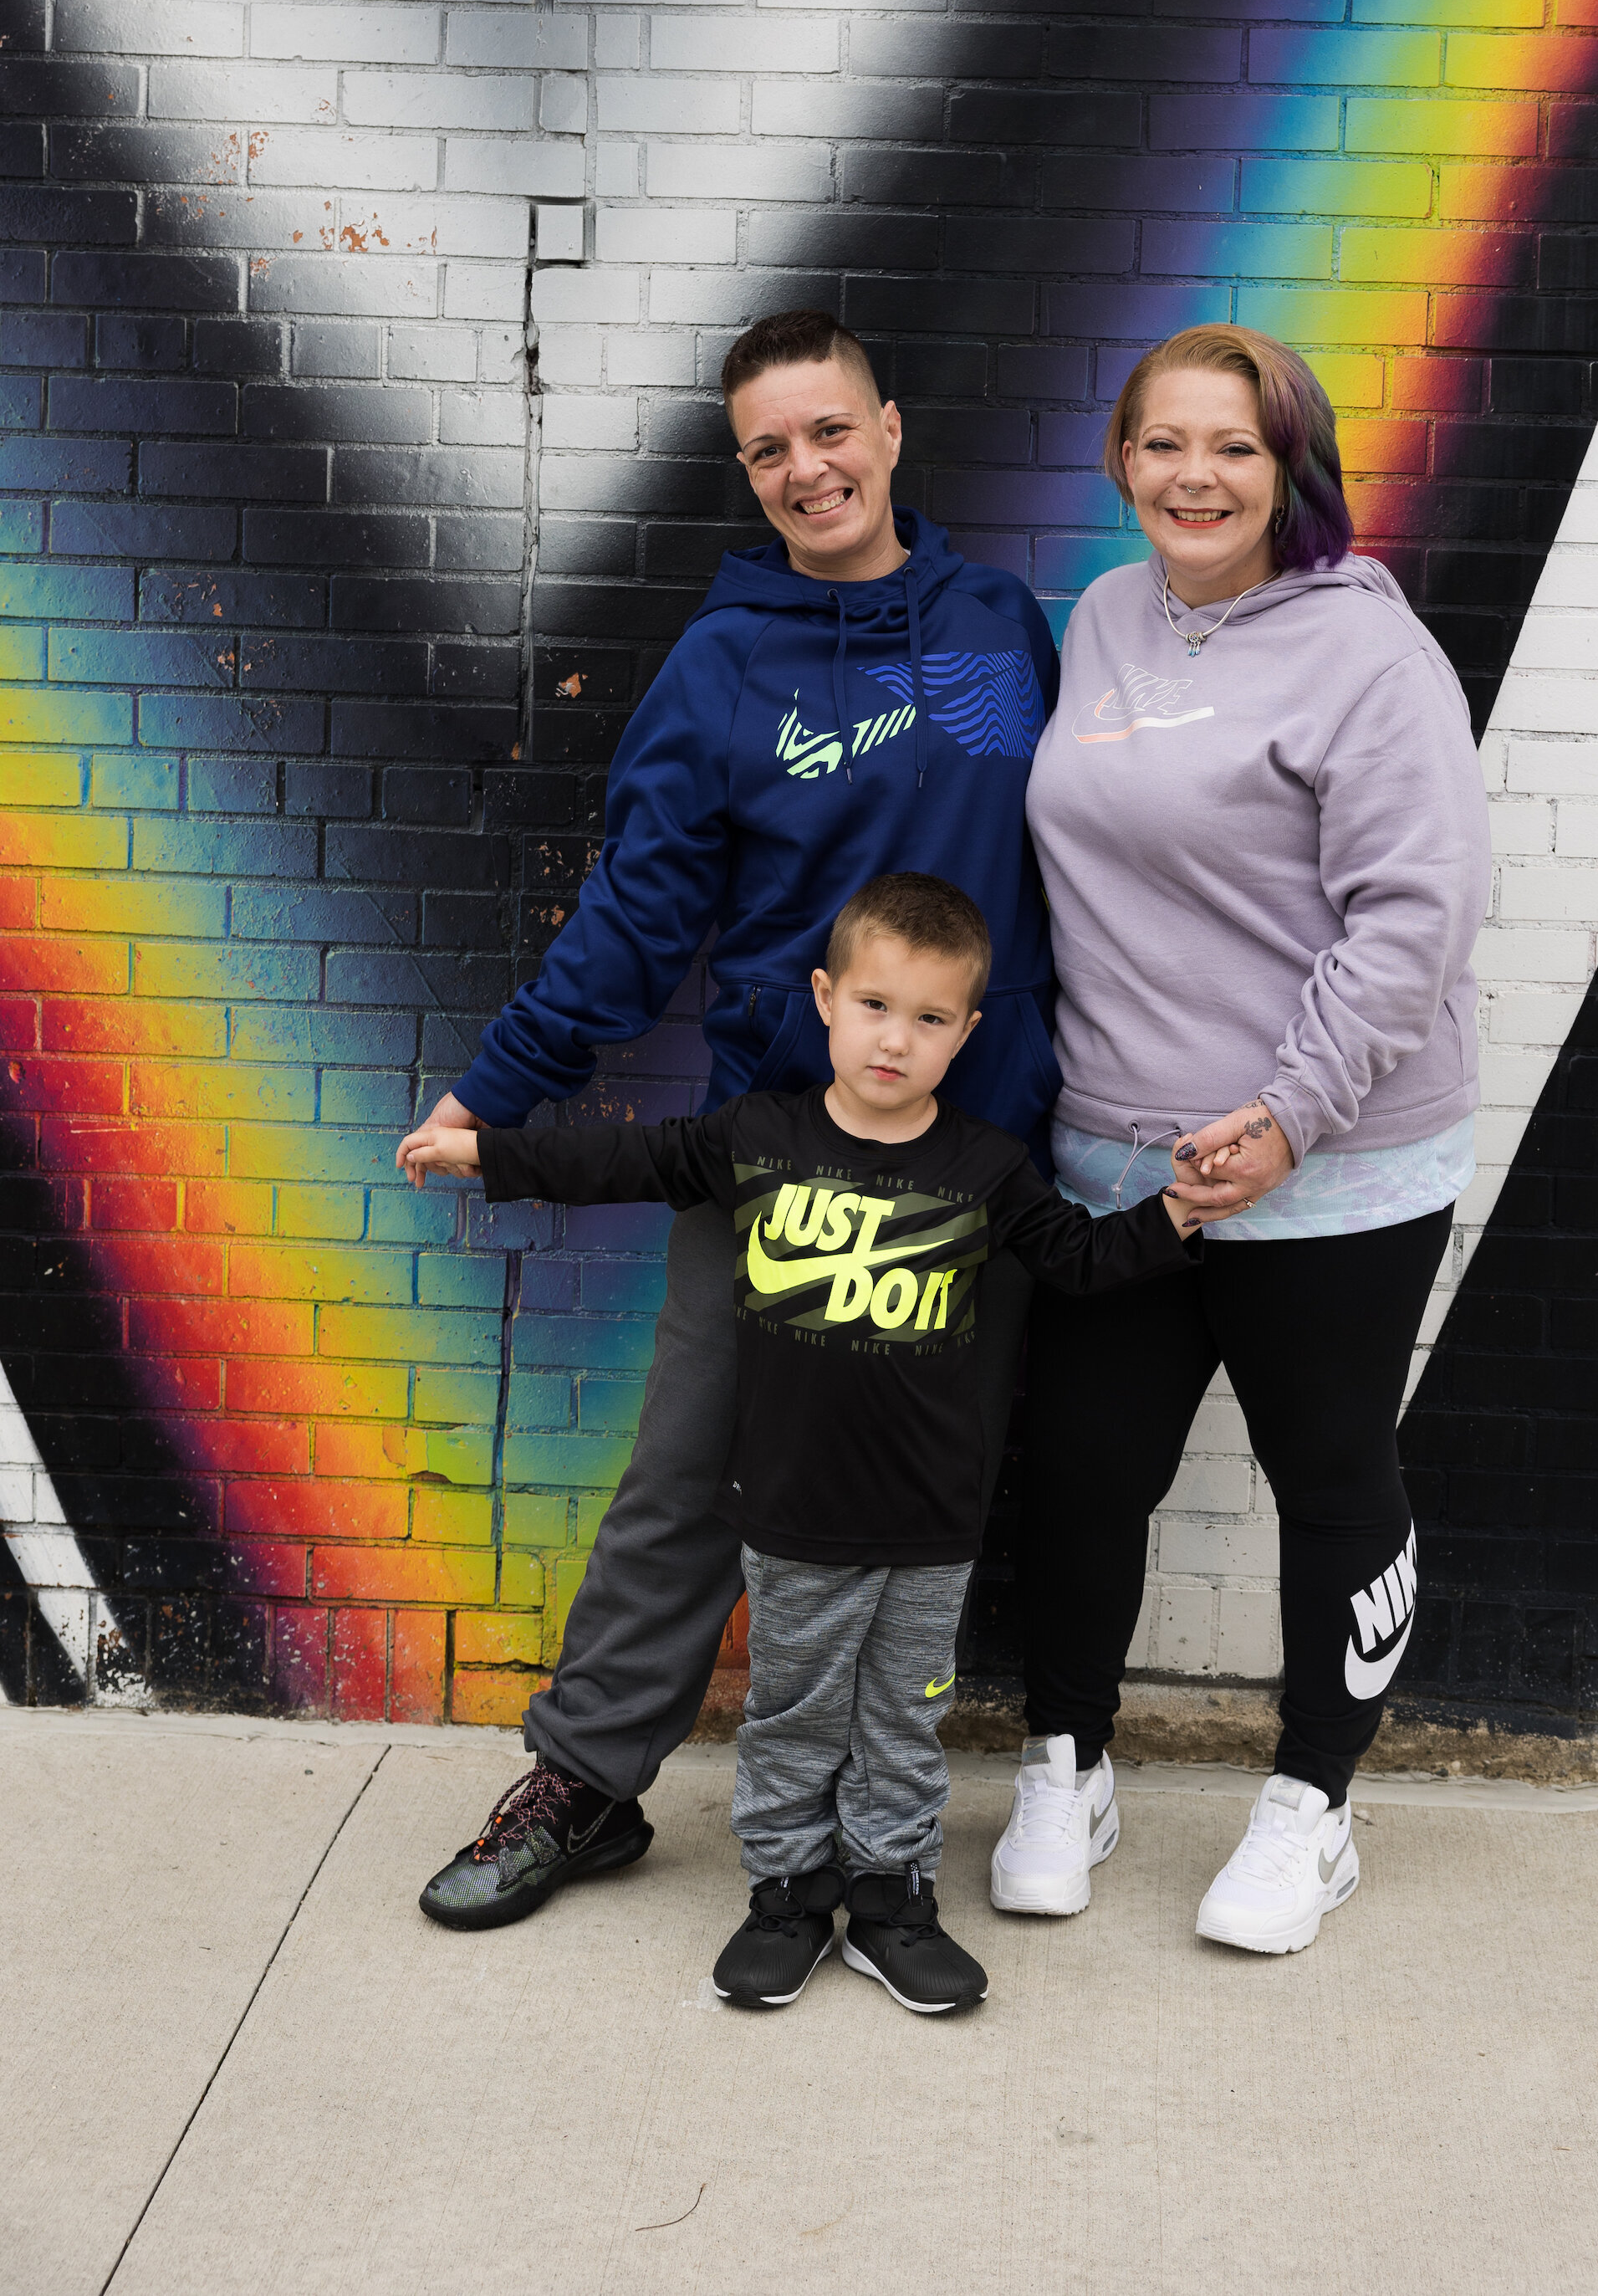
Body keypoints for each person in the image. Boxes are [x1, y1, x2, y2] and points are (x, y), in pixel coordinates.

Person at [410, 309, 1066, 1931]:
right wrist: (498, 1090)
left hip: (976, 1162)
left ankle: (892, 1824)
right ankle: (586, 1780)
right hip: (780, 1147)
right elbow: (635, 923)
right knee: (694, 1474)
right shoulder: (722, 668)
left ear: (891, 429)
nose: (806, 467)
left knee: (942, 1495)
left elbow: (1084, 872)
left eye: (829, 430)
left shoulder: (998, 630)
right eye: (769, 448)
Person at [400, 876, 1196, 2013]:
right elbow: (620, 1166)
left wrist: (1176, 1216)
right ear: (823, 1001)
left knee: (901, 1724)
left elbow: (1077, 1259)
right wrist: (489, 1151)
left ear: (968, 1032)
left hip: (926, 1529)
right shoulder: (755, 1139)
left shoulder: (983, 1170)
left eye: (929, 1019)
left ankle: (887, 1903)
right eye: (873, 1006)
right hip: (790, 1518)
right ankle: (783, 1898)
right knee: (792, 1720)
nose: (894, 1039)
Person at [992, 323, 1493, 1956]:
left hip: (1333, 1169)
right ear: (1123, 461)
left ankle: (1313, 1803)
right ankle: (1066, 1760)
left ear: (1291, 469)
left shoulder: (1369, 655)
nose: (1195, 476)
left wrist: (1290, 1116)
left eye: (1234, 447)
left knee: (1330, 1474)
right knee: (1079, 1472)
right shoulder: (1108, 618)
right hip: (1117, 1164)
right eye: (1165, 444)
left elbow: (1415, 918)